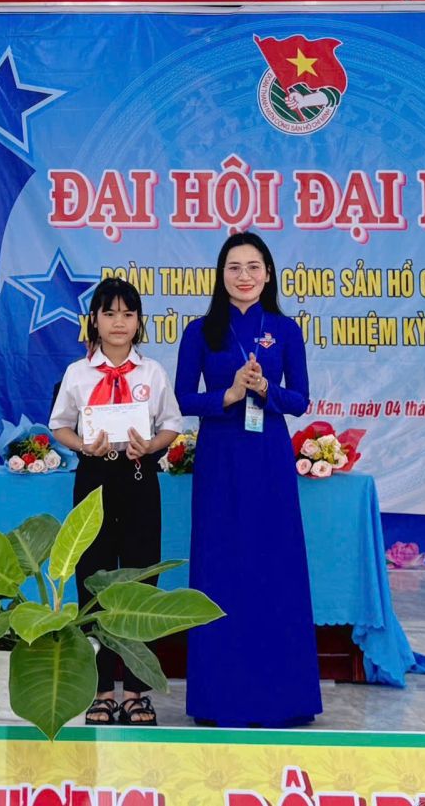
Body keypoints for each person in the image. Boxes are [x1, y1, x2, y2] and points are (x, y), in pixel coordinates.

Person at [174, 231, 319, 728]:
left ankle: (284, 697)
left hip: (268, 456)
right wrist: (230, 395)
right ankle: (218, 699)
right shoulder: (200, 331)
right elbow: (183, 399)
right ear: (221, 275)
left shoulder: (285, 329)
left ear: (268, 274)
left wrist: (265, 389)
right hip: (220, 456)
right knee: (220, 563)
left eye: (254, 267)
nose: (244, 276)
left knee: (274, 564)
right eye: (234, 267)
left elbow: (300, 400)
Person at [47, 277, 183, 726]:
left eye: (128, 313)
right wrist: (83, 445)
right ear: (94, 320)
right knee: (94, 579)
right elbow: (60, 425)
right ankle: (102, 690)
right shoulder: (77, 373)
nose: (119, 322)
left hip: (140, 478)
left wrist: (152, 445)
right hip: (94, 479)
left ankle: (138, 692)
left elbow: (171, 424)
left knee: (141, 580)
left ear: (139, 321)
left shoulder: (152, 372)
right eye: (109, 313)